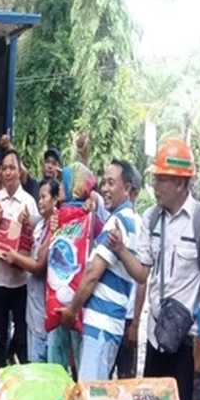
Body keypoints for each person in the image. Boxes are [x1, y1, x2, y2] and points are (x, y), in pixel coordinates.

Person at [108, 138, 200, 400]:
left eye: (161, 178)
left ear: (180, 182)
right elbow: (141, 274)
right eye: (156, 177)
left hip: (188, 343)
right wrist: (122, 250)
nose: (155, 184)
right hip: (156, 337)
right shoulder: (151, 219)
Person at [58, 159, 139, 381]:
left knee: (90, 399)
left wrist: (71, 310)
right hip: (111, 322)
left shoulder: (116, 223)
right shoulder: (132, 220)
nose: (104, 188)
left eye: (111, 183)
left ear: (127, 188)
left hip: (101, 324)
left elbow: (93, 273)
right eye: (104, 182)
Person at [0, 149, 39, 369]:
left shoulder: (29, 202)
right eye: (4, 168)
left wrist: (29, 224)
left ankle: (21, 380)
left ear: (20, 171)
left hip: (21, 280)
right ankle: (0, 382)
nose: (7, 172)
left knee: (22, 334)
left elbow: (39, 237)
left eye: (12, 167)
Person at [46, 162, 100, 375]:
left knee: (58, 358)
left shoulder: (91, 214)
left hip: (66, 299)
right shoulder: (58, 216)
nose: (59, 187)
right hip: (76, 299)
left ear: (73, 186)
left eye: (63, 182)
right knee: (78, 353)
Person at [5, 178, 60, 363]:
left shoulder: (56, 227)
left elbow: (38, 266)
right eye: (39, 197)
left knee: (44, 371)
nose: (40, 201)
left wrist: (15, 258)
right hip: (35, 309)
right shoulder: (43, 224)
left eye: (44, 197)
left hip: (46, 313)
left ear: (55, 199)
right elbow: (31, 222)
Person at [111, 168, 144, 379]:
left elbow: (142, 279)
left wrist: (135, 324)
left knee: (125, 381)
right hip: (113, 312)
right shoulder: (114, 220)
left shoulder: (140, 226)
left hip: (128, 316)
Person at [0, 134, 61, 199]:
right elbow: (20, 167)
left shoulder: (61, 193)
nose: (49, 166)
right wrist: (9, 146)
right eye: (47, 162)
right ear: (42, 165)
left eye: (54, 163)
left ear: (59, 170)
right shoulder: (33, 186)